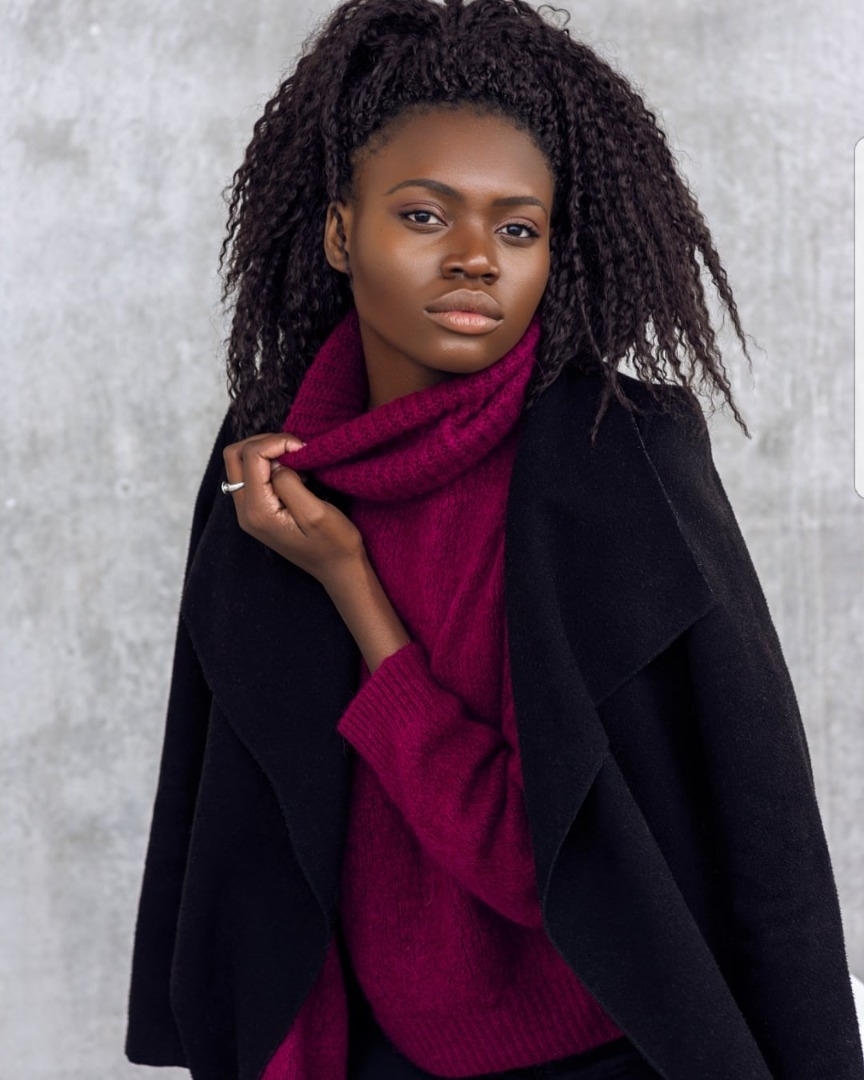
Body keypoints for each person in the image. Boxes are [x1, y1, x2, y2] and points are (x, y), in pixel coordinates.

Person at [125, 1, 864, 1078]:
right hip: (363, 1049)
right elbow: (228, 817)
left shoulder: (618, 461)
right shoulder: (270, 470)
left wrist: (352, 586)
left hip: (605, 1050)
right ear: (340, 232)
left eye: (517, 229)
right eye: (425, 216)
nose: (476, 258)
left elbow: (553, 858)